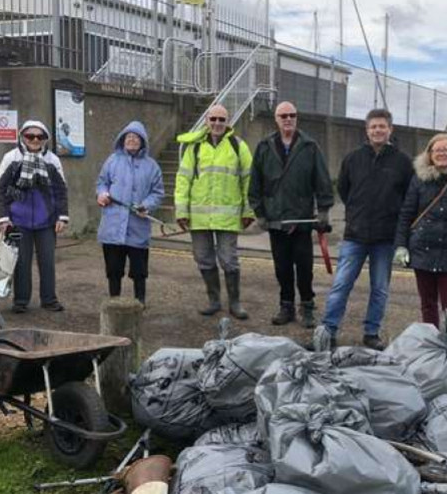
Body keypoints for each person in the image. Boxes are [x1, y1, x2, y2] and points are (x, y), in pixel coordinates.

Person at [321, 108, 413, 349]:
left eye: (382, 126)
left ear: (390, 129)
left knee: (380, 289)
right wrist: (356, 213)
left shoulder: (402, 162)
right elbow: (343, 189)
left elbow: (408, 198)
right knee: (341, 284)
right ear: (367, 130)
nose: (377, 130)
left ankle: (371, 333)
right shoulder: (352, 158)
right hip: (355, 236)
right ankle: (328, 331)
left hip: (385, 237)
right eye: (373, 126)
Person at [249, 101, 334, 328]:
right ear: (276, 119)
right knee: (282, 267)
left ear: (297, 117)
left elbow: (322, 180)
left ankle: (307, 306)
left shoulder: (309, 146)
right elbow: (255, 183)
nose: (288, 119)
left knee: (304, 267)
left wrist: (324, 210)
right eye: (283, 115)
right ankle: (286, 306)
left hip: (302, 220)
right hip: (277, 220)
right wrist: (260, 213)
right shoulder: (264, 147)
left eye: (292, 115)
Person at [394, 134, 447, 341]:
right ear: (429, 154)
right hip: (422, 251)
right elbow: (406, 214)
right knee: (427, 304)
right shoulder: (418, 180)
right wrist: (401, 246)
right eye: (437, 150)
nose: (441, 153)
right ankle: (431, 346)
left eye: (446, 150)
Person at [174, 104, 255, 319]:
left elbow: (249, 180)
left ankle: (235, 303)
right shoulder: (195, 148)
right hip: (199, 217)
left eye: (222, 119)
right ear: (207, 122)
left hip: (228, 217)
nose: (217, 123)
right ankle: (214, 300)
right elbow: (183, 179)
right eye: (213, 119)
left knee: (229, 260)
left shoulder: (239, 146)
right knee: (204, 259)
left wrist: (249, 210)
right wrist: (182, 210)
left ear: (228, 122)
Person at [0, 119, 69, 313]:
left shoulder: (52, 160)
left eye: (40, 136)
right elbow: (1, 190)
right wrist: (4, 218)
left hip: (46, 220)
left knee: (47, 261)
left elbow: (61, 190)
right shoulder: (11, 158)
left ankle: (49, 300)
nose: (35, 139)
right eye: (30, 136)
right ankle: (20, 301)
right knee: (21, 262)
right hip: (18, 220)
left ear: (46, 139)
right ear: (22, 136)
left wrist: (62, 216)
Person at [95, 121, 164, 303]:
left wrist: (146, 205)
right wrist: (102, 194)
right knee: (113, 270)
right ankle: (114, 302)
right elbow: (102, 182)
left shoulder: (152, 166)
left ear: (143, 141)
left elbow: (157, 193)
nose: (131, 140)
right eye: (128, 137)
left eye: (135, 137)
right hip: (112, 225)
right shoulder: (112, 161)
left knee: (139, 271)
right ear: (122, 139)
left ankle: (139, 302)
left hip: (138, 226)